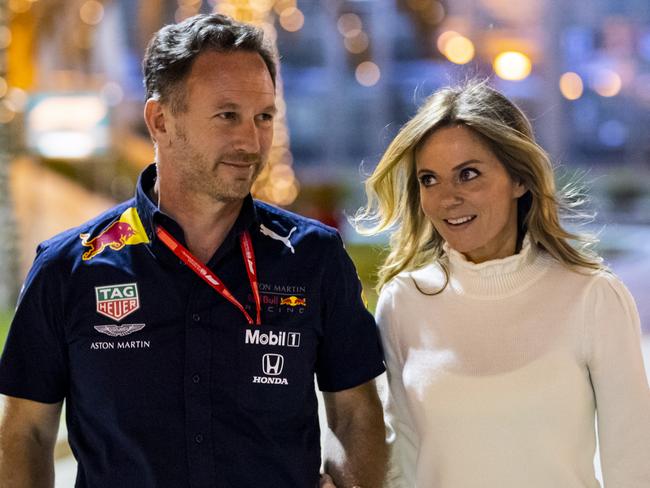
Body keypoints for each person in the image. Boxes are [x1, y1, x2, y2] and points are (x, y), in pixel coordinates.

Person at [0, 14, 387, 488]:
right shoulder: (69, 267)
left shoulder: (313, 257)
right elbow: (27, 432)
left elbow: (356, 414)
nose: (251, 141)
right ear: (160, 120)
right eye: (227, 115)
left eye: (263, 117)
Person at [356, 79, 650, 487]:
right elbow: (400, 462)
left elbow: (634, 466)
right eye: (429, 179)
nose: (446, 199)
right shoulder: (404, 301)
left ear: (519, 180)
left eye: (468, 174)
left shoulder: (591, 297)